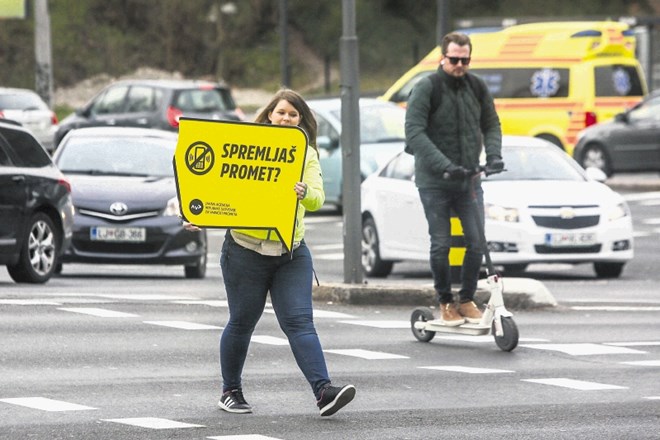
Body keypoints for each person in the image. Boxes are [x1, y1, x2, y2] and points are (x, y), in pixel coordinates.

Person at [184, 88, 356, 417]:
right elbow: (218, 186)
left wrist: (304, 193)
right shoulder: (246, 146)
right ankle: (230, 391)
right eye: (281, 113)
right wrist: (198, 215)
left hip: (291, 253)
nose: (287, 119)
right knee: (242, 321)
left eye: (294, 115)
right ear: (269, 116)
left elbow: (318, 198)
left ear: (302, 122)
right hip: (245, 251)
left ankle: (324, 392)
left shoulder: (306, 154)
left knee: (300, 322)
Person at [404, 32, 504, 326]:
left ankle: (467, 298)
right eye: (454, 59)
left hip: (469, 180)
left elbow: (491, 123)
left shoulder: (476, 87)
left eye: (465, 60)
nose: (460, 65)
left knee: (477, 242)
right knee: (442, 242)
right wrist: (445, 165)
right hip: (434, 181)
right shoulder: (427, 87)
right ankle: (445, 301)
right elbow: (414, 133)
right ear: (442, 58)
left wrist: (494, 156)